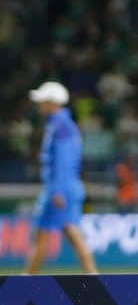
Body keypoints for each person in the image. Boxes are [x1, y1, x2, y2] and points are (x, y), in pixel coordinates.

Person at [24, 81, 97, 275]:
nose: (40, 106)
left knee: (45, 233)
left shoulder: (59, 126)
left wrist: (57, 190)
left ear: (52, 103)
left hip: (60, 188)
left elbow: (63, 161)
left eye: (42, 101)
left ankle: (27, 279)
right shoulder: (65, 124)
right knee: (68, 231)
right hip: (67, 186)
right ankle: (92, 275)